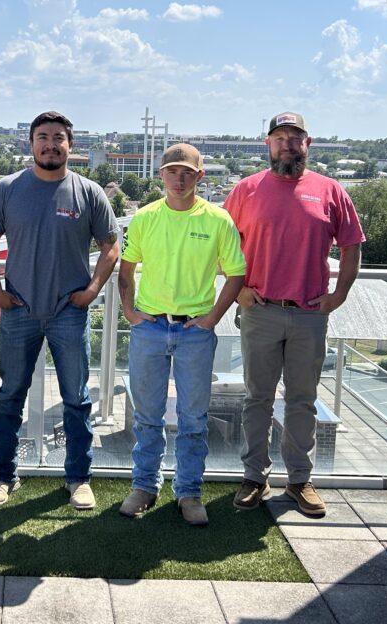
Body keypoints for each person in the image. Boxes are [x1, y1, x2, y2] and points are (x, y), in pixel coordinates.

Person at [224, 112, 364, 517]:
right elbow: (221, 244)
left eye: (295, 137)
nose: (287, 144)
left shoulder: (331, 190)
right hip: (260, 310)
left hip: (308, 314)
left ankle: (300, 481)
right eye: (280, 137)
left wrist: (339, 294)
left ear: (308, 143)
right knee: (257, 399)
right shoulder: (247, 190)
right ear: (267, 143)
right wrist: (239, 292)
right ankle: (255, 478)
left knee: (302, 400)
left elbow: (352, 246)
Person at [0, 111, 119, 510]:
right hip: (19, 308)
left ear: (70, 146)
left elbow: (111, 245)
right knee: (10, 396)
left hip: (68, 311)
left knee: (76, 398)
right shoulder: (8, 189)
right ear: (31, 143)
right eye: (43, 137)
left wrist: (92, 289)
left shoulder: (88, 192)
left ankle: (77, 478)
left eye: (59, 137)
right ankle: (3, 477)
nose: (51, 144)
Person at [117, 144, 245, 525]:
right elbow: (125, 271)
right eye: (172, 171)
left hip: (195, 332)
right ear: (161, 176)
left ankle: (188, 492)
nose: (179, 178)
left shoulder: (218, 220)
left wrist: (211, 319)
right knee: (147, 415)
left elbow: (236, 273)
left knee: (193, 418)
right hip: (150, 328)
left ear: (200, 177)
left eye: (187, 172)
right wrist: (130, 313)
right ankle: (144, 486)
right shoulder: (144, 218)